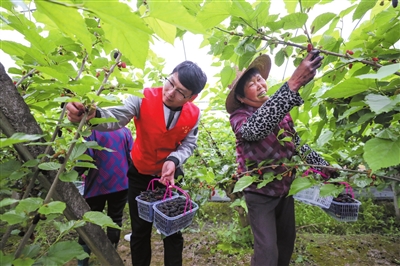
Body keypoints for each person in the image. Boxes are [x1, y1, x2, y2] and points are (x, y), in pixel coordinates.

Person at [66, 60, 207, 266]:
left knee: (173, 231)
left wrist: (174, 160)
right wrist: (91, 115)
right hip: (139, 175)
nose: (170, 92)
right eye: (170, 83)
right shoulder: (142, 98)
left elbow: (188, 144)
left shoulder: (193, 114)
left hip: (169, 177)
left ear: (192, 97)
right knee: (140, 231)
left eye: (180, 92)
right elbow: (116, 117)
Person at [225, 52, 338, 266]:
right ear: (241, 97)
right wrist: (293, 82)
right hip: (259, 195)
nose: (259, 85)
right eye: (251, 83)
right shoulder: (240, 118)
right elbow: (255, 129)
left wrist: (321, 166)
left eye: (259, 79)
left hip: (285, 190)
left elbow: (295, 143)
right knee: (267, 253)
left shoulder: (282, 113)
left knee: (285, 246)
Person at [76, 127, 133, 266]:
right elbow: (132, 156)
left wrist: (69, 175)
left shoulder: (92, 132)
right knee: (115, 218)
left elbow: (85, 160)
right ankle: (110, 258)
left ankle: (82, 262)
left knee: (89, 220)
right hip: (121, 183)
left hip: (98, 185)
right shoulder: (124, 131)